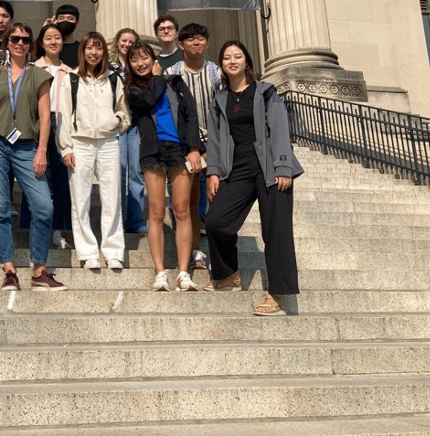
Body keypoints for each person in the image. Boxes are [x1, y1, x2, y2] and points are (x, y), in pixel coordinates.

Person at [205, 40, 302, 316]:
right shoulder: (220, 100)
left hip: (270, 166)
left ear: (247, 61)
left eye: (237, 56)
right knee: (216, 221)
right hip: (237, 167)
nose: (232, 61)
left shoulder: (265, 92)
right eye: (226, 58)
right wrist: (213, 170)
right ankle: (228, 274)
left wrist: (283, 166)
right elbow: (214, 138)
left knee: (276, 230)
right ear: (221, 65)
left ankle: (279, 293)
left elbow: (280, 128)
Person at [0, 23, 67, 291]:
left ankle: (39, 269)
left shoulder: (38, 75)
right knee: (0, 207)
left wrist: (42, 150)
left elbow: (44, 116)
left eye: (25, 40)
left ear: (31, 44)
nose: (19, 43)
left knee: (43, 205)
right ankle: (9, 269)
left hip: (27, 146)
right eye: (14, 39)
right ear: (7, 43)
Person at [125, 41, 203, 292]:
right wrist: (157, 77)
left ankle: (183, 272)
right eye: (134, 60)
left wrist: (193, 148)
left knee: (181, 210)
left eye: (145, 57)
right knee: (157, 212)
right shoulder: (133, 90)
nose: (140, 63)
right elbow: (148, 102)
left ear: (153, 58)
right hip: (152, 150)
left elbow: (191, 116)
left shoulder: (176, 82)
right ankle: (160, 271)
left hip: (178, 150)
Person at [57, 32, 130, 270]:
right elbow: (64, 116)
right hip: (80, 143)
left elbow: (123, 109)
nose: (94, 53)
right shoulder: (71, 79)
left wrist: (117, 122)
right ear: (83, 51)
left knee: (112, 198)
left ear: (104, 52)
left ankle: (113, 252)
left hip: (109, 142)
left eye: (98, 48)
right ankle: (88, 252)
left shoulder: (114, 79)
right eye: (89, 48)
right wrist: (66, 147)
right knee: (81, 199)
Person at [166, 23, 223, 271]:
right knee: (185, 197)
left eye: (201, 38)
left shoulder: (217, 73)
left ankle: (202, 250)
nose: (196, 43)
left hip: (212, 140)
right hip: (182, 142)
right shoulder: (172, 72)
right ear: (181, 45)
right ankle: (191, 251)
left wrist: (214, 147)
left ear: (207, 43)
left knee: (208, 194)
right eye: (190, 39)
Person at [23, 22, 73, 250]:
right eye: (48, 38)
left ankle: (58, 229)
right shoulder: (32, 68)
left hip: (62, 124)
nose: (53, 42)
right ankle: (30, 226)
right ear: (41, 43)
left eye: (57, 38)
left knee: (61, 180)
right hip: (36, 123)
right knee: (35, 175)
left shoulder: (71, 72)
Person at [111, 28, 147, 234]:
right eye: (123, 40)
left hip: (135, 124)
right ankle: (118, 221)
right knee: (118, 171)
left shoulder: (139, 66)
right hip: (116, 124)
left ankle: (136, 220)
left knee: (135, 172)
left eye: (131, 41)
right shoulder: (108, 66)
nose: (126, 44)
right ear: (117, 42)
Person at [51, 4, 81, 69]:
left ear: (76, 23)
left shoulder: (82, 48)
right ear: (56, 21)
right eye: (61, 18)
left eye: (70, 18)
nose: (65, 21)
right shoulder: (50, 47)